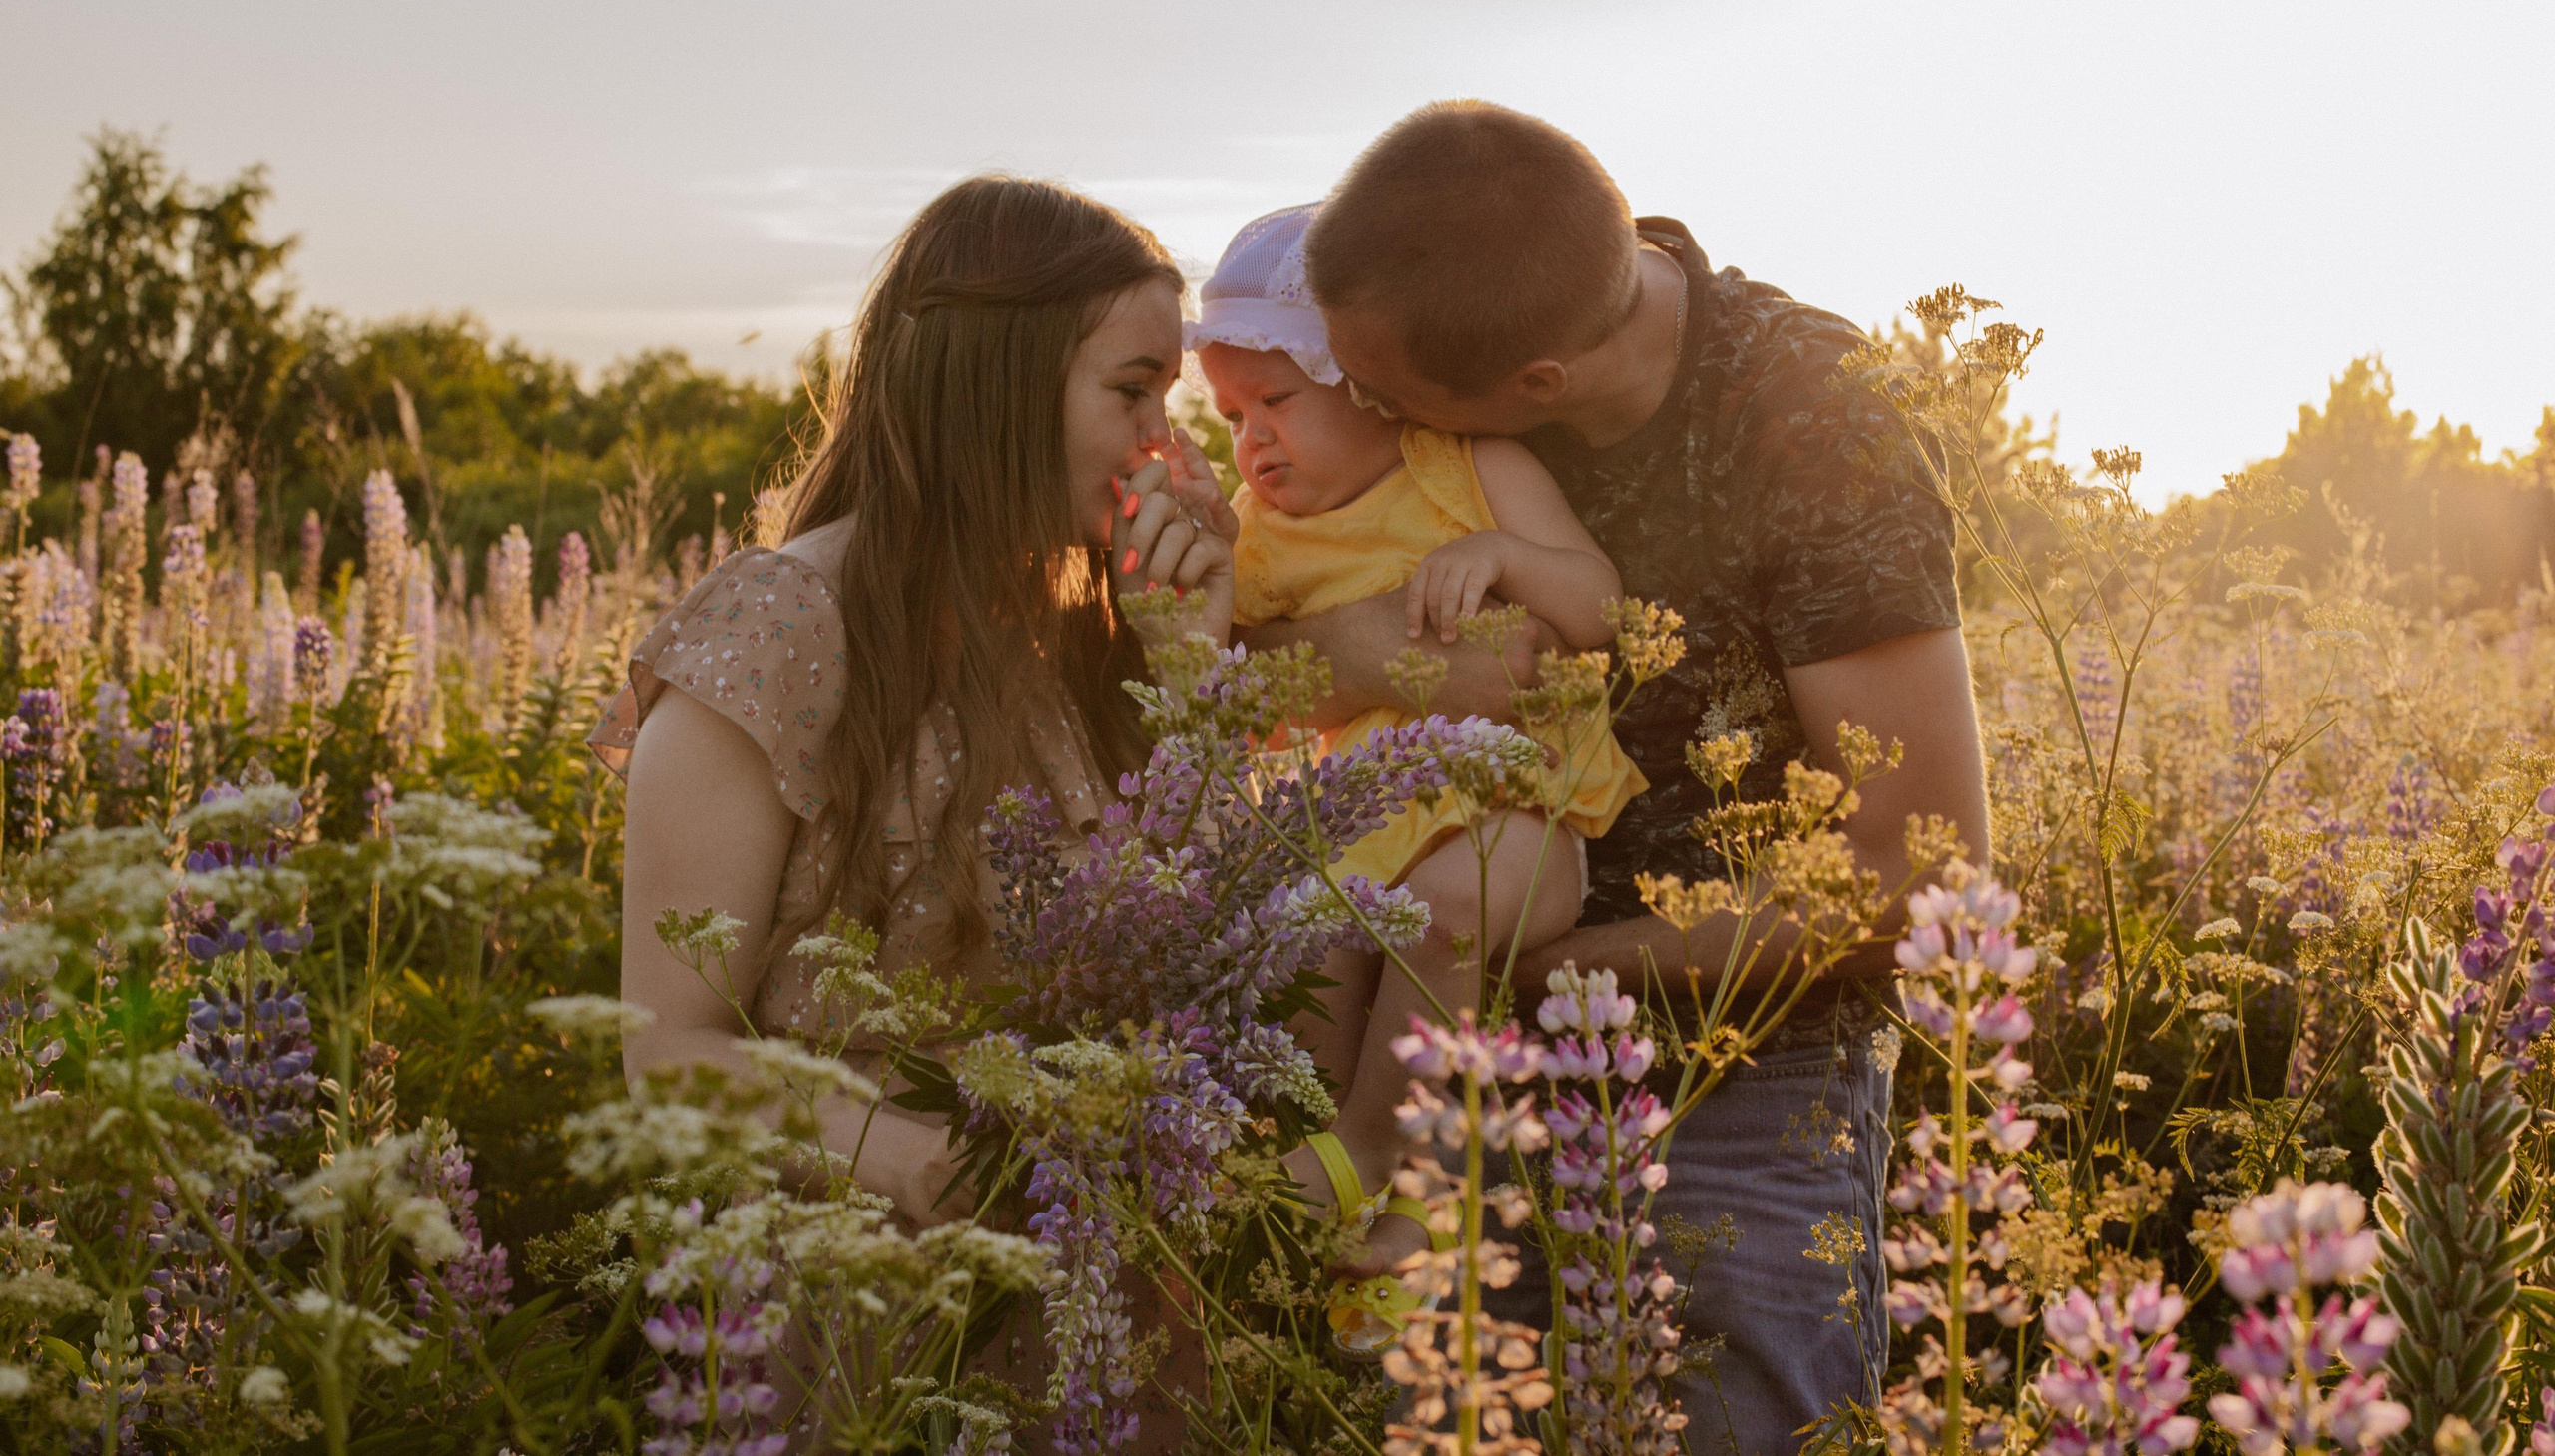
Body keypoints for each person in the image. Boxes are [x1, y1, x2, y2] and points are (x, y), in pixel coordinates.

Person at [1258, 100, 1990, 1454]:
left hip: (1738, 1084)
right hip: (1423, 1067)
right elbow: (1236, 675)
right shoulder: (1453, 314)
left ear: (1536, 384)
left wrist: (1531, 959)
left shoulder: (1815, 420)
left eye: (1389, 399)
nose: (1362, 413)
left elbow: (1917, 863)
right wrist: (1358, 649)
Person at [591, 175, 1235, 1450]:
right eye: (1131, 391)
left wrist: (1195, 672)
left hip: (1099, 1289)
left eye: (1167, 399)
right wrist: (896, 1151)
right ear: (999, 382)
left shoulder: (1083, 635)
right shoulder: (778, 625)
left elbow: (1210, 953)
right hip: (855, 1293)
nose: (1159, 445)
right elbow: (665, 1049)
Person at [1186, 203, 1647, 1344]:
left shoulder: (1469, 467)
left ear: (1367, 382)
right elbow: (1232, 701)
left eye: (1275, 401)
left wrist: (1506, 555)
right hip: (1365, 821)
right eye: (1231, 417)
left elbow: (1603, 608)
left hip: (1525, 807)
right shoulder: (1256, 534)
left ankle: (1378, 1172)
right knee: (1310, 963)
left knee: (1443, 916)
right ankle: (1340, 1224)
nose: (1252, 441)